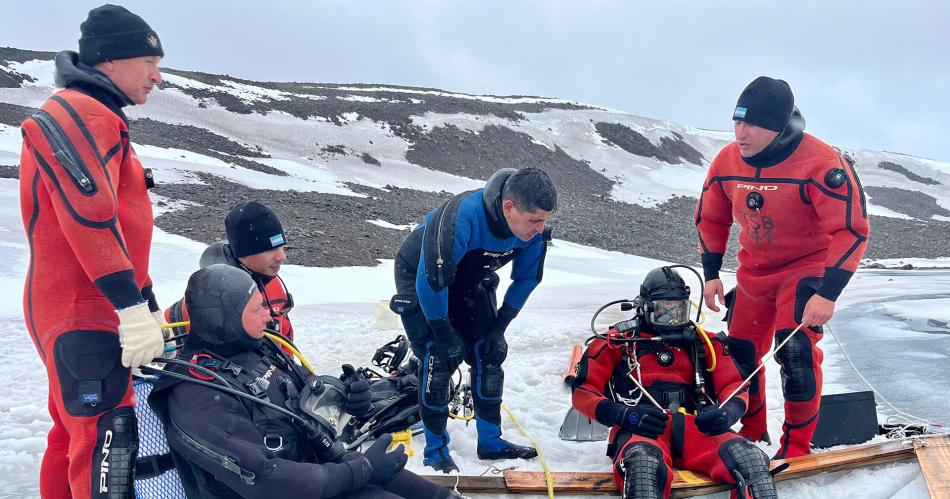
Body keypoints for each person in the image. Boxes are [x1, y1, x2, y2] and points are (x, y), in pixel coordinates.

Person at [17, 5, 167, 497]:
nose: (157, 77)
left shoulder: (97, 116)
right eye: (149, 62)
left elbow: (121, 227)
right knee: (108, 438)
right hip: (82, 306)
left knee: (72, 435)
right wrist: (130, 307)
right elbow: (89, 218)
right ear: (111, 59)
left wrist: (144, 302)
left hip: (83, 304)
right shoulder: (82, 113)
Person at [148, 264, 458, 499]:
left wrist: (350, 399)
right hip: (289, 489)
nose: (268, 317)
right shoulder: (197, 393)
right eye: (256, 309)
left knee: (412, 486)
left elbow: (309, 402)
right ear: (224, 318)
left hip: (321, 476)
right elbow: (266, 479)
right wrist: (361, 470)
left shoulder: (260, 351)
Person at [694, 76, 870, 458]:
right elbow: (711, 218)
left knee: (796, 355)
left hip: (804, 269)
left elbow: (851, 229)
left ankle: (796, 449)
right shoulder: (727, 161)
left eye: (752, 125)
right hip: (754, 273)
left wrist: (828, 294)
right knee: (739, 355)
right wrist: (711, 274)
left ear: (777, 126)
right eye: (737, 122)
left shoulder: (821, 163)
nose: (740, 133)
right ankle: (753, 432)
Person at [390, 167, 556, 472]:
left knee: (489, 353)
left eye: (545, 220)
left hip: (468, 281)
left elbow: (527, 279)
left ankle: (490, 442)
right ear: (509, 208)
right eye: (535, 221)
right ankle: (435, 452)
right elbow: (432, 281)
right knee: (438, 359)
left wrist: (499, 328)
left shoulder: (532, 231)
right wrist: (442, 333)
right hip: (421, 277)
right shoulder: (462, 217)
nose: (540, 228)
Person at [571, 267, 777, 499]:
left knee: (750, 460)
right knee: (643, 466)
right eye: (663, 309)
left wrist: (728, 413)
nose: (671, 316)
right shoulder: (617, 343)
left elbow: (735, 385)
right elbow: (583, 391)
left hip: (697, 427)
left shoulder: (705, 343)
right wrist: (624, 415)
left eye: (678, 309)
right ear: (645, 307)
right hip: (641, 429)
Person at [165, 201, 294, 342]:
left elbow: (285, 339)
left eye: (281, 246)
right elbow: (172, 332)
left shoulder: (274, 285)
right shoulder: (210, 295)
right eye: (269, 249)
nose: (282, 257)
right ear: (243, 253)